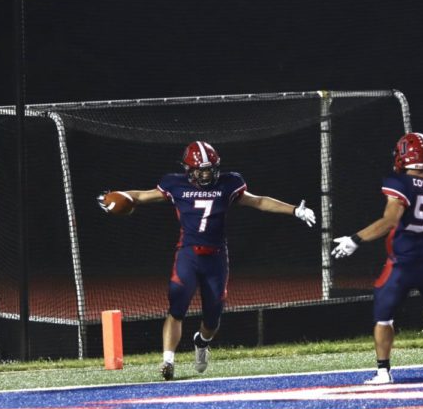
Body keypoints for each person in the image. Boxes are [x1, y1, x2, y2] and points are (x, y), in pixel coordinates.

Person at [98, 140, 317, 381]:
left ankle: (201, 343)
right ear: (188, 169)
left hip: (216, 257)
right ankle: (168, 361)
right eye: (200, 169)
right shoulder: (174, 184)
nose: (205, 174)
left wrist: (295, 210)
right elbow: (141, 196)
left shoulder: (229, 184)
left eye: (209, 169)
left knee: (212, 317)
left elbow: (259, 201)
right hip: (188, 254)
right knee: (176, 307)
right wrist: (117, 197)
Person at [331, 132, 423, 385]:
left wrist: (355, 239)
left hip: (402, 262)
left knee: (383, 316)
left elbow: (389, 221)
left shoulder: (400, 183)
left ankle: (383, 371)